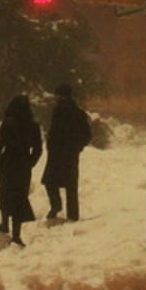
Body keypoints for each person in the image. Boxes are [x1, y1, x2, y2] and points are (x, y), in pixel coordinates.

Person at [0, 94, 42, 246]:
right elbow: (38, 149)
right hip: (23, 165)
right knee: (20, 197)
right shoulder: (33, 125)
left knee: (5, 193)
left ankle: (4, 222)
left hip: (7, 163)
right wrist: (30, 162)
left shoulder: (8, 123)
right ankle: (16, 234)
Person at [41, 84, 92, 221]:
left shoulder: (62, 111)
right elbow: (87, 135)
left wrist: (73, 146)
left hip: (60, 154)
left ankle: (57, 206)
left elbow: (85, 134)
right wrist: (77, 147)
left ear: (62, 96)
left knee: (51, 182)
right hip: (67, 154)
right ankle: (72, 215)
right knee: (69, 186)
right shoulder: (76, 113)